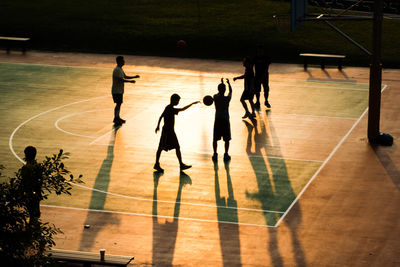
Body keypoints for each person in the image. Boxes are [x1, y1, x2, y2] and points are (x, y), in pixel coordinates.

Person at [154, 94, 199, 172]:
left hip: (169, 131)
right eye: (178, 101)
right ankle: (158, 164)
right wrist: (192, 104)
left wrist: (158, 126)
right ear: (174, 101)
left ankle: (180, 164)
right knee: (161, 147)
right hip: (168, 131)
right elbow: (182, 109)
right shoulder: (170, 108)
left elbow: (161, 116)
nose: (178, 102)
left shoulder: (168, 107)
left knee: (174, 147)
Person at [111, 56, 140, 125]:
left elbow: (125, 76)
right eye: (122, 61)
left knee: (119, 104)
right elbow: (121, 80)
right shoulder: (117, 70)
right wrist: (130, 82)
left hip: (119, 90)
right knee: (118, 104)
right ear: (119, 62)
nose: (124, 62)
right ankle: (116, 118)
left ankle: (117, 117)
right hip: (116, 90)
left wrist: (134, 76)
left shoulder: (120, 69)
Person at [19, 146, 43, 223]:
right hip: (36, 192)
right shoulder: (38, 167)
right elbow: (40, 181)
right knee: (35, 213)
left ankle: (32, 230)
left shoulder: (26, 168)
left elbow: (23, 182)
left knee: (31, 213)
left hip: (29, 193)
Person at [212, 78, 232, 162]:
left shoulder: (215, 97)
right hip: (225, 120)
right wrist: (228, 84)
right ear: (224, 90)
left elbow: (218, 93)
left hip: (217, 119)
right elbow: (231, 92)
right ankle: (226, 154)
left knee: (215, 138)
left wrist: (222, 83)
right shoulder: (227, 99)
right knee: (227, 139)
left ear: (218, 89)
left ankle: (215, 154)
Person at [254, 44, 271, 109]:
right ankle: (257, 101)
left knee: (266, 89)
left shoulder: (266, 58)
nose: (260, 52)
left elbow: (267, 67)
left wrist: (263, 75)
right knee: (257, 90)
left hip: (265, 76)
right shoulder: (255, 58)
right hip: (257, 76)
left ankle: (266, 101)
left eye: (261, 51)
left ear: (263, 51)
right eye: (259, 51)